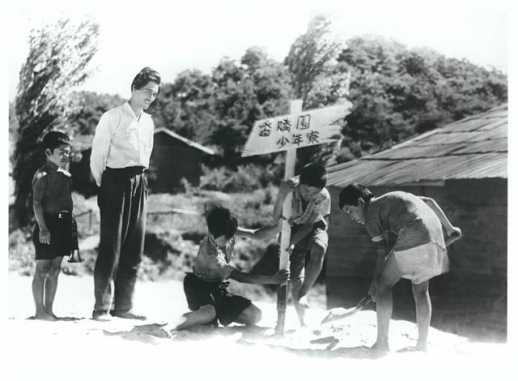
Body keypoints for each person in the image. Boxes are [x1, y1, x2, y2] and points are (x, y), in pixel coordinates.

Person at [337, 184, 462, 352]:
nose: (351, 217)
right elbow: (429, 201)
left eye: (350, 211)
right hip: (435, 236)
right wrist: (450, 228)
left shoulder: (370, 217)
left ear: (360, 202)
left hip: (414, 233)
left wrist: (375, 285)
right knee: (421, 291)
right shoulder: (392, 196)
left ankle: (382, 343)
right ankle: (421, 345)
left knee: (383, 286)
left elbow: (381, 254)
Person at [89, 67, 161, 321]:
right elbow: (98, 156)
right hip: (115, 181)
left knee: (134, 247)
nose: (150, 96)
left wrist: (138, 181)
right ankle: (101, 308)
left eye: (155, 93)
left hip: (139, 181)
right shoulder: (112, 117)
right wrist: (106, 186)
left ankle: (124, 307)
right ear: (134, 89)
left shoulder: (149, 122)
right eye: (147, 91)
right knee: (111, 246)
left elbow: (147, 154)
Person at [166, 206, 290, 332]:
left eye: (226, 238)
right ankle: (170, 327)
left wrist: (279, 228)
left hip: (217, 288)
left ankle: (213, 315)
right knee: (208, 312)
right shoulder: (211, 255)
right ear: (211, 232)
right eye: (216, 238)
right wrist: (270, 279)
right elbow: (240, 277)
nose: (220, 241)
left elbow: (256, 234)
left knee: (254, 315)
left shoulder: (228, 229)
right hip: (197, 287)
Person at [273, 163, 331, 326]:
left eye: (314, 192)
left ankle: (304, 293)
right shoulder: (290, 191)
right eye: (306, 190)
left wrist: (293, 243)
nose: (309, 195)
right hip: (291, 228)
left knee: (319, 248)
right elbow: (275, 218)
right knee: (294, 279)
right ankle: (302, 321)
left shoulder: (324, 196)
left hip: (313, 227)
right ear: (300, 184)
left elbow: (309, 225)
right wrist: (281, 194)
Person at [31, 131, 79, 321]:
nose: (65, 155)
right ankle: (39, 311)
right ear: (49, 152)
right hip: (47, 225)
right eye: (61, 152)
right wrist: (43, 228)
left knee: (55, 269)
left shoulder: (67, 176)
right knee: (42, 268)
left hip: (63, 226)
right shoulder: (41, 175)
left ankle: (49, 310)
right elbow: (36, 204)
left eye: (68, 152)